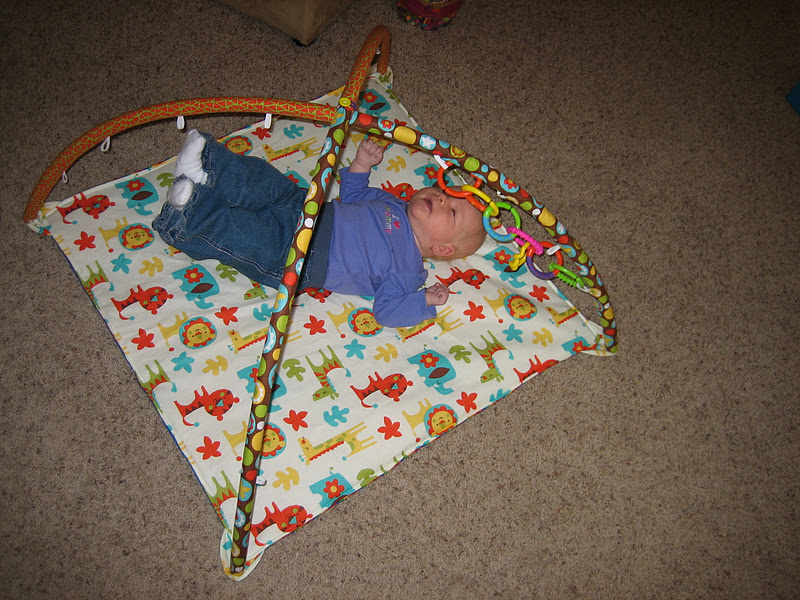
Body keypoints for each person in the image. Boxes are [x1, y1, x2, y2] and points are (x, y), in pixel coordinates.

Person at [152, 130, 486, 327]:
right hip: (306, 204)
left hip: (299, 257)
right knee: (263, 181)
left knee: (245, 235)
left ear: (443, 248)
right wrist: (362, 163)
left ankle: (188, 214)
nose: (441, 198)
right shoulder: (393, 203)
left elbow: (386, 312)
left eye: (451, 210)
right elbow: (353, 194)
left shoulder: (408, 271)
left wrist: (424, 300)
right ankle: (207, 167)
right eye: (445, 193)